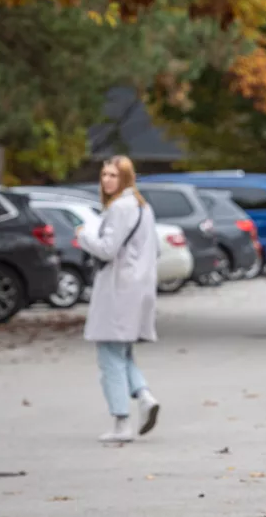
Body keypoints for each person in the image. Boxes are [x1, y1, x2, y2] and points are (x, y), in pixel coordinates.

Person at [76, 155, 161, 443]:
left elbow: (107, 249)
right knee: (121, 352)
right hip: (138, 287)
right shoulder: (142, 207)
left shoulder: (119, 208)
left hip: (118, 288)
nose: (107, 180)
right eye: (104, 175)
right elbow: (154, 249)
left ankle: (121, 422)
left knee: (109, 356)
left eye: (113, 175)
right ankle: (145, 396)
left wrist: (84, 235)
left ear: (126, 178)